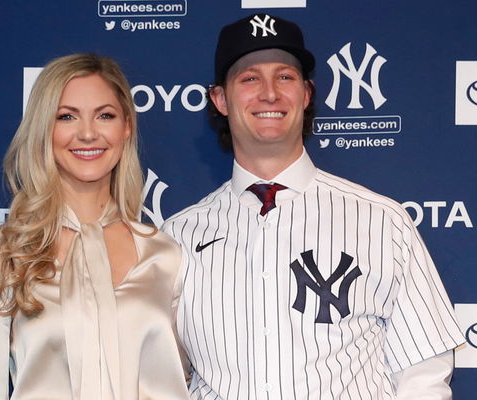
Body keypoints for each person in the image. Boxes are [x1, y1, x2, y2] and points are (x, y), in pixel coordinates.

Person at [162, 14, 465, 399]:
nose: (269, 93)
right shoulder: (178, 236)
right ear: (220, 98)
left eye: (285, 77)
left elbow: (424, 372)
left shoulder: (382, 221)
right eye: (249, 78)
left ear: (306, 94)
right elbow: (162, 373)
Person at [0, 53, 190, 400]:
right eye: (67, 116)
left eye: (105, 116)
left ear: (126, 126)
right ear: (44, 129)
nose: (87, 133)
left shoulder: (166, 255)